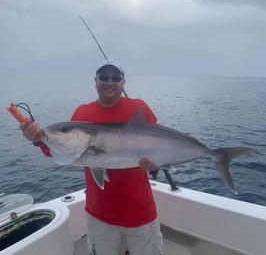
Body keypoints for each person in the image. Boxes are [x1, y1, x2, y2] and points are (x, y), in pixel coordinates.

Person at [20, 59, 163, 255]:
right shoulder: (82, 113)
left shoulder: (139, 108)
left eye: (115, 77)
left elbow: (159, 150)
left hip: (140, 213)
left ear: (123, 82)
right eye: (103, 77)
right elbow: (64, 151)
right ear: (95, 80)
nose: (109, 82)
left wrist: (155, 166)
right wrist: (38, 140)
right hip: (99, 216)